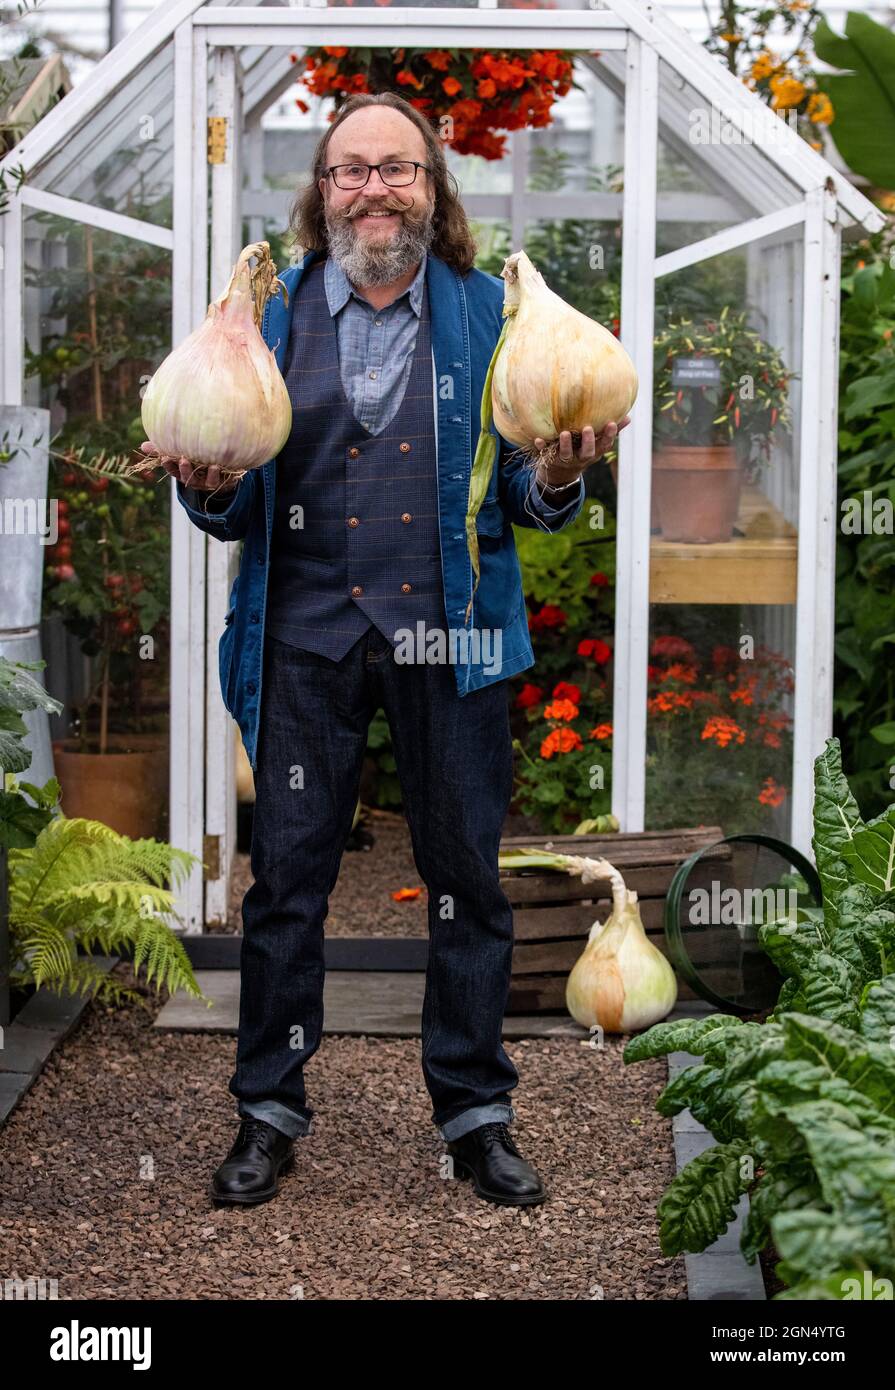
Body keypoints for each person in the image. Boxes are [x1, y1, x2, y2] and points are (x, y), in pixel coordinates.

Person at [143, 91, 629, 1210]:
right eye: (349, 169)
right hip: (304, 637)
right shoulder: (259, 325)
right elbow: (228, 501)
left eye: (396, 169)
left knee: (465, 880)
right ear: (322, 193)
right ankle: (268, 1110)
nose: (373, 188)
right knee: (288, 886)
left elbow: (526, 487)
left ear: (431, 188)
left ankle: (474, 1113)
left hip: (450, 639)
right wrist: (207, 490)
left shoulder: (486, 315)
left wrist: (558, 476)